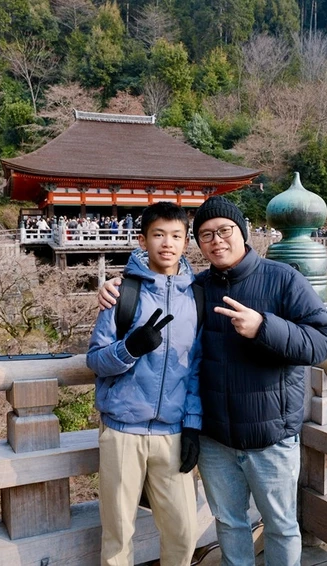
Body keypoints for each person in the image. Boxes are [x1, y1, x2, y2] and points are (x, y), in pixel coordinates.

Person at [98, 196, 327, 566]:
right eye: (206, 234)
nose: (216, 240)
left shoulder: (282, 278)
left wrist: (264, 327)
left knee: (281, 526)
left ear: (242, 232)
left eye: (224, 230)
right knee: (228, 523)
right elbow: (192, 363)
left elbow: (323, 341)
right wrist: (116, 293)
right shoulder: (198, 287)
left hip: (268, 433)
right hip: (214, 439)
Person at [87, 201, 202, 566]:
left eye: (176, 236)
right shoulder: (123, 294)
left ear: (186, 242)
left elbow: (197, 368)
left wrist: (194, 427)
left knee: (184, 533)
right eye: (158, 235)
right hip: (123, 430)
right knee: (118, 537)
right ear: (143, 240)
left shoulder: (197, 295)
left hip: (172, 433)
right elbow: (95, 360)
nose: (167, 243)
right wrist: (129, 348)